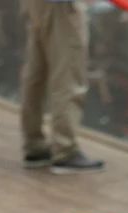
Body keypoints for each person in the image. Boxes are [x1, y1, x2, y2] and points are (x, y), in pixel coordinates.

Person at [20, 0, 105, 173]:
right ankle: (66, 151)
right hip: (61, 6)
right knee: (68, 74)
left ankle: (34, 145)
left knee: (37, 71)